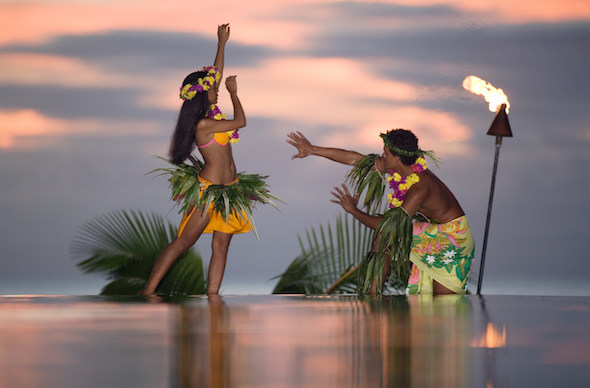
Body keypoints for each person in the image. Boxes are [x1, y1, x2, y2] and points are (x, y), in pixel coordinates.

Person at [141, 24, 278, 296]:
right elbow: (241, 121)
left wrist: (221, 43)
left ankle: (213, 295)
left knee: (221, 246)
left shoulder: (212, 116)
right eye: (212, 88)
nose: (216, 88)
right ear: (203, 94)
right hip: (209, 193)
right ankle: (148, 291)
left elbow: (215, 74)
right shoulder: (204, 125)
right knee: (182, 243)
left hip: (231, 190)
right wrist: (235, 94)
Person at [286, 129, 474, 295]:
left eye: (385, 153)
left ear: (397, 158)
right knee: (382, 238)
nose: (382, 156)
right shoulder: (401, 168)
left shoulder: (420, 189)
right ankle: (373, 296)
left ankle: (374, 294)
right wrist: (312, 150)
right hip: (431, 230)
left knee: (446, 306)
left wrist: (353, 210)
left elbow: (390, 226)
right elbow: (356, 159)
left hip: (453, 238)